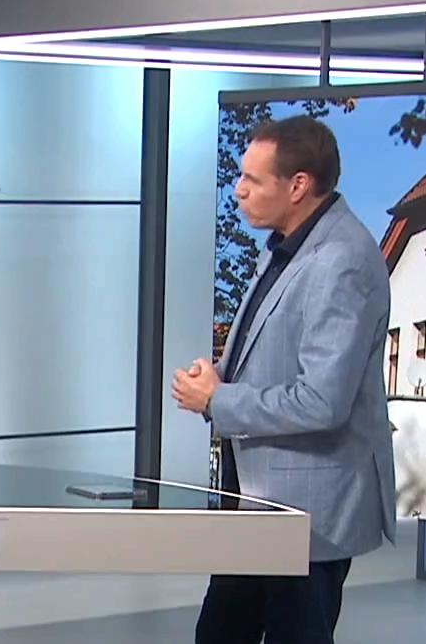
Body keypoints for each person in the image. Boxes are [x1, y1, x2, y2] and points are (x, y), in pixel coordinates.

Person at [171, 114, 397, 644]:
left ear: (298, 185)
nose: (238, 189)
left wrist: (219, 401)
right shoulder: (286, 245)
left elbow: (322, 400)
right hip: (259, 507)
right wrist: (221, 377)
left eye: (252, 179)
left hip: (306, 515)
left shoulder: (342, 261)